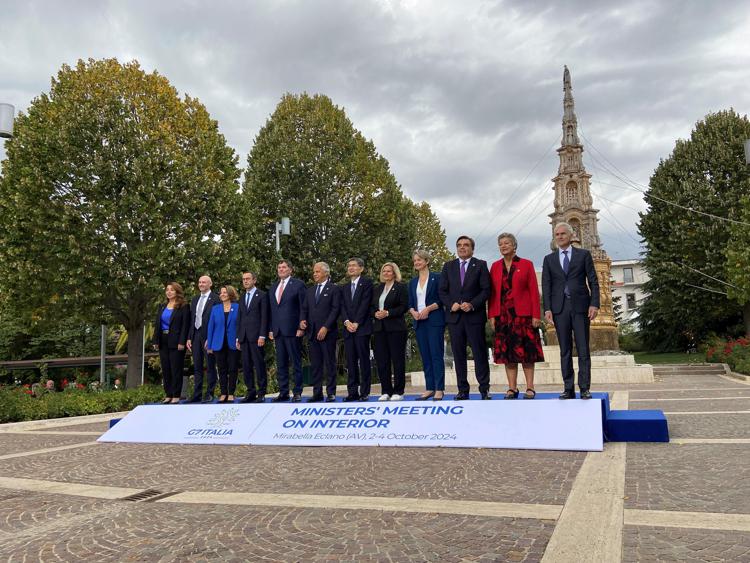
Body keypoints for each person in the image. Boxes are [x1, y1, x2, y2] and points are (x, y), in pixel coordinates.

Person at [541, 222, 600, 400]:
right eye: (557, 234)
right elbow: (546, 285)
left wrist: (594, 304)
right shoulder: (549, 259)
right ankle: (568, 388)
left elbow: (593, 281)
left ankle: (584, 388)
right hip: (559, 309)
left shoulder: (583, 255)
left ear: (570, 235)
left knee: (583, 349)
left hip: (581, 307)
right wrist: (548, 309)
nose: (559, 237)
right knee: (564, 350)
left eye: (562, 234)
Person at [488, 233, 544, 400]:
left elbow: (534, 291)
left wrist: (536, 315)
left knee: (527, 354)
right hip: (503, 317)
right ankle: (512, 388)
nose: (503, 246)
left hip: (523, 316)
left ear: (514, 246)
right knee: (508, 355)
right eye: (501, 244)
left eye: (507, 243)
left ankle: (530, 387)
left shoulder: (526, 264)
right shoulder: (495, 266)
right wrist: (492, 315)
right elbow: (492, 294)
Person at [438, 236, 492, 400]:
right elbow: (442, 291)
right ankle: (462, 390)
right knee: (458, 354)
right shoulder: (448, 266)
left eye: (466, 245)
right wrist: (451, 303)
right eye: (459, 245)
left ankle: (484, 389)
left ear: (472, 248)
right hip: (455, 318)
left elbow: (486, 290)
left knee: (479, 353)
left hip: (474, 316)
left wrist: (472, 304)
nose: (462, 248)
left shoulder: (480, 265)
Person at [408, 250, 446, 401]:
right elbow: (410, 303)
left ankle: (439, 389)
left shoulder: (437, 277)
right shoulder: (412, 282)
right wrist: (413, 312)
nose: (417, 262)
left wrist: (428, 309)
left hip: (434, 320)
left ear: (427, 261)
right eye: (415, 260)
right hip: (419, 322)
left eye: (419, 260)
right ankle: (429, 388)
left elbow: (442, 298)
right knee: (425, 356)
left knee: (436, 355)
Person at [301, 262, 341, 402]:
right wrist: (302, 321)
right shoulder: (310, 291)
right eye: (314, 272)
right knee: (315, 365)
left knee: (329, 363)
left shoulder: (334, 289)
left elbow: (335, 309)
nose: (315, 274)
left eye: (317, 272)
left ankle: (331, 392)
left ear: (326, 273)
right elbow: (304, 309)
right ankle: (317, 392)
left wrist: (326, 327)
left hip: (328, 333)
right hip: (312, 333)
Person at [268, 259, 306, 402]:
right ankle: (283, 391)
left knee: (295, 362)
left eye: (284, 267)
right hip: (278, 331)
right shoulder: (273, 287)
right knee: (281, 363)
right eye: (279, 267)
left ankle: (297, 392)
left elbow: (303, 306)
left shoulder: (298, 285)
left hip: (293, 330)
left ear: (290, 269)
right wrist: (271, 328)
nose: (281, 269)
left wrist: (301, 327)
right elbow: (272, 310)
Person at [371, 262, 409, 401]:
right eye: (384, 271)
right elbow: (371, 307)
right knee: (382, 361)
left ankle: (398, 391)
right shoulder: (377, 288)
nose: (386, 273)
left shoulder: (401, 287)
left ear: (394, 273)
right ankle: (386, 390)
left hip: (396, 328)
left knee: (397, 360)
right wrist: (375, 313)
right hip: (379, 329)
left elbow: (404, 306)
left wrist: (388, 313)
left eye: (389, 271)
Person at [340, 257, 374, 402]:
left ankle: (364, 392)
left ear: (361, 268)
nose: (351, 268)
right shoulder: (344, 287)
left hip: (362, 328)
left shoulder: (367, 283)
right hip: (348, 330)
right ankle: (352, 392)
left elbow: (365, 304)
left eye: (354, 265)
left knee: (364, 361)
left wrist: (357, 322)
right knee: (351, 362)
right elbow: (342, 307)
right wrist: (347, 322)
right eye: (349, 266)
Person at [152, 282, 190, 404]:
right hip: (163, 340)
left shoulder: (183, 306)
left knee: (176, 369)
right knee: (166, 369)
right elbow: (157, 324)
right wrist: (156, 340)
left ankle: (176, 395)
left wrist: (182, 341)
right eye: (167, 290)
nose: (169, 292)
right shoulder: (162, 306)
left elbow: (185, 325)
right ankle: (168, 394)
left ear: (177, 292)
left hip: (177, 341)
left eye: (172, 290)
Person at [236, 271, 269, 403]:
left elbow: (264, 317)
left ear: (254, 280)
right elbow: (240, 318)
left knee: (259, 364)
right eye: (243, 279)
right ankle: (251, 391)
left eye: (248, 279)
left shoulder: (261, 295)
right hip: (244, 337)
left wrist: (262, 335)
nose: (245, 281)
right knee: (246, 366)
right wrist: (238, 337)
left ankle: (261, 392)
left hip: (256, 337)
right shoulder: (242, 296)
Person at [186, 275, 220, 403]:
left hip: (208, 337)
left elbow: (217, 320)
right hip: (195, 336)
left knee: (210, 365)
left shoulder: (216, 299)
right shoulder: (195, 299)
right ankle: (197, 393)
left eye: (204, 282)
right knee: (197, 366)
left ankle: (210, 393)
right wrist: (189, 337)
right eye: (199, 282)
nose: (201, 284)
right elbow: (192, 319)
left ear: (210, 284)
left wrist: (212, 338)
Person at [206, 285, 240, 403]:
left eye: (225, 292)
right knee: (221, 369)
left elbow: (240, 325)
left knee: (233, 368)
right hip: (218, 343)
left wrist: (239, 339)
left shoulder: (237, 307)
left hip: (233, 343)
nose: (222, 294)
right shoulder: (215, 308)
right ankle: (223, 393)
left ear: (230, 293)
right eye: (221, 293)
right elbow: (211, 327)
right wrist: (209, 344)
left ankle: (231, 393)